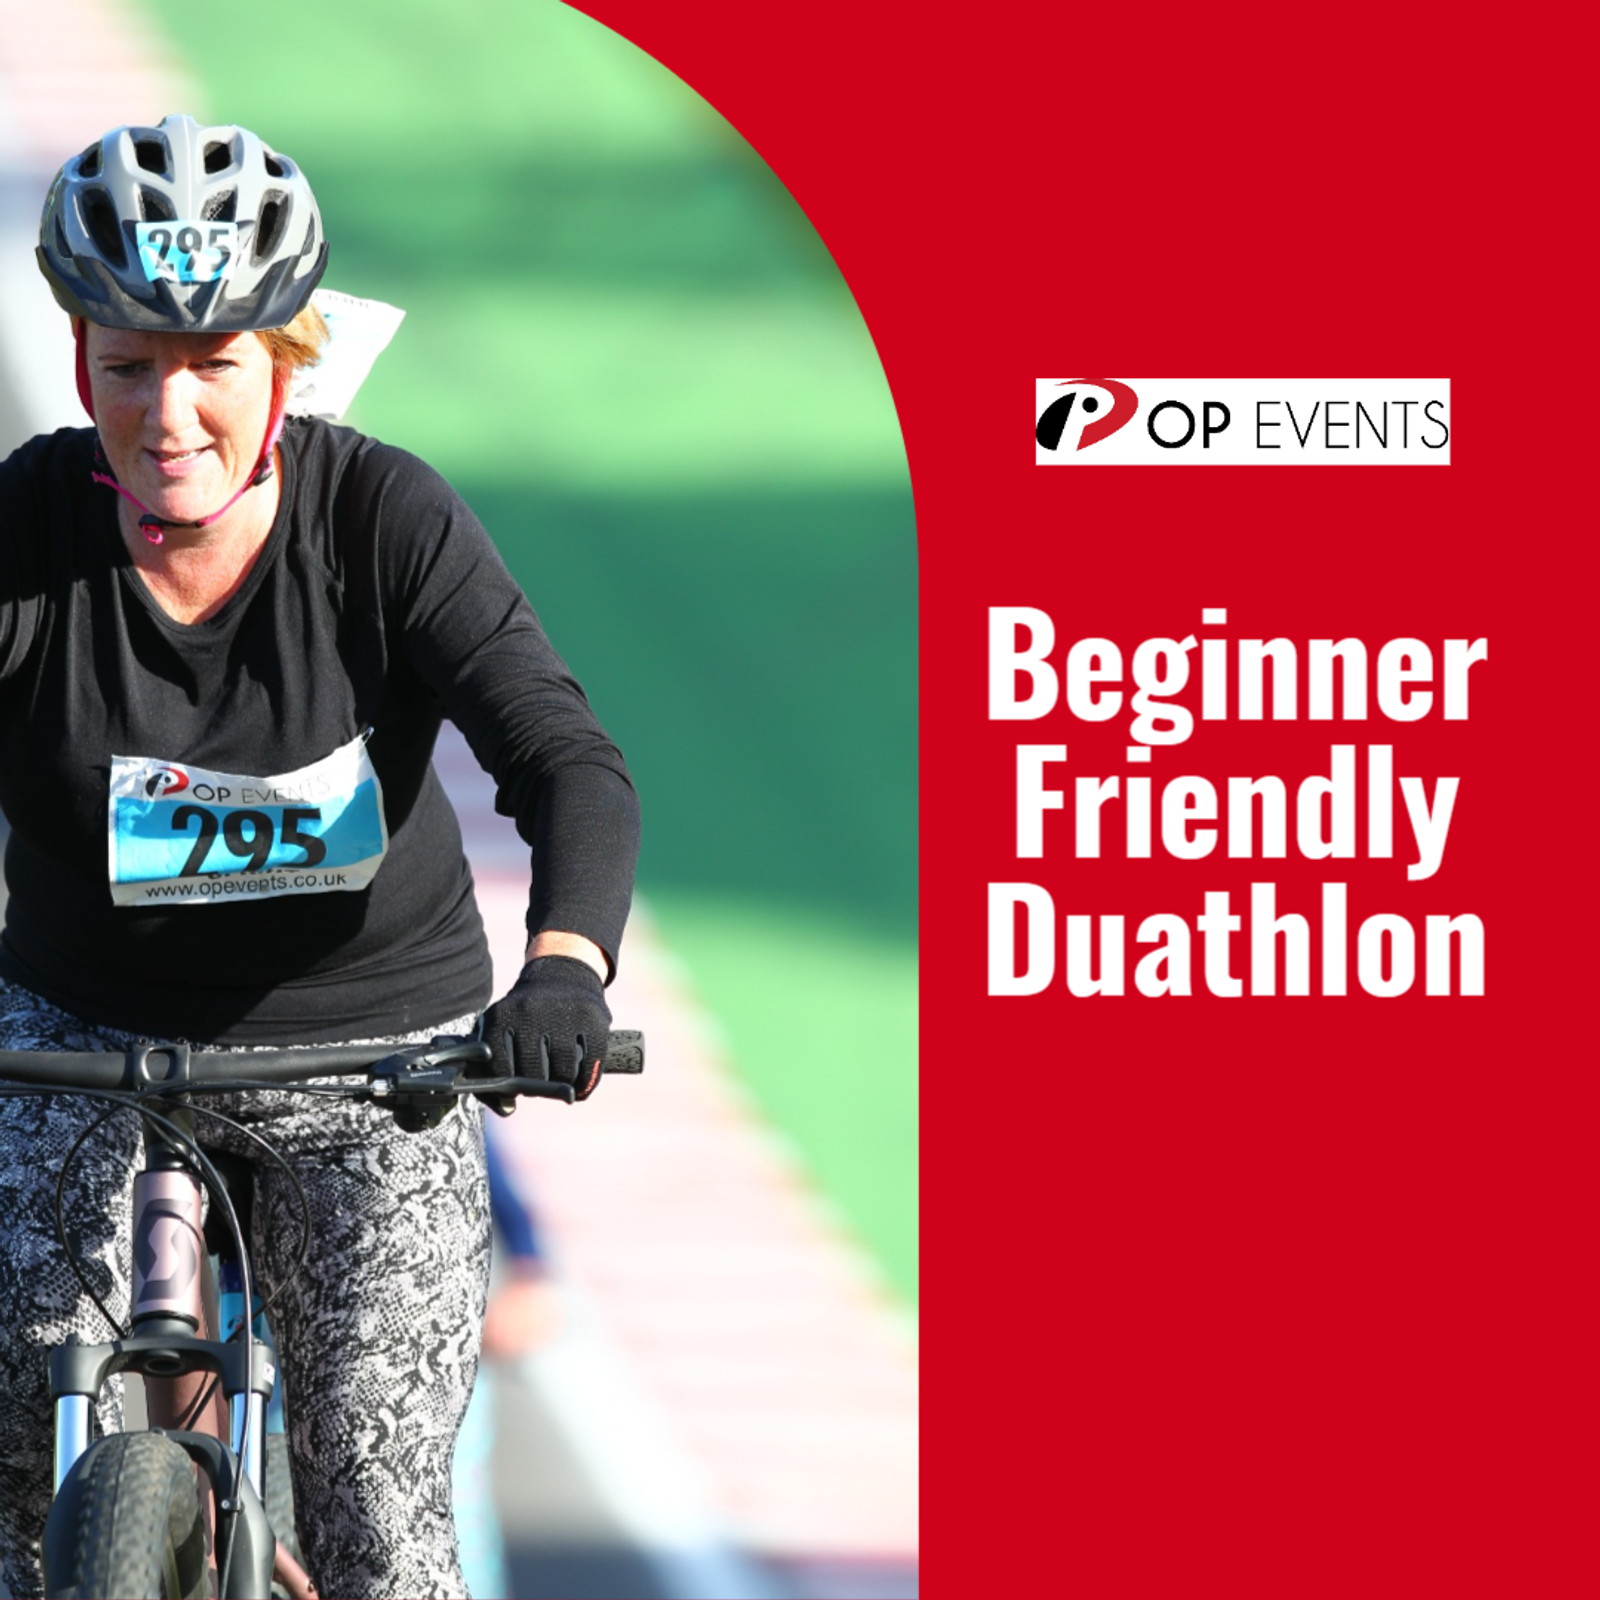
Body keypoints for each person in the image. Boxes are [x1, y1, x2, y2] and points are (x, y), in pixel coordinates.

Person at [0, 114, 640, 1599]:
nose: (168, 414)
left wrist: (562, 971)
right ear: (79, 353)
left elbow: (567, 765)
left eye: (214, 362)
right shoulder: (23, 532)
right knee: (11, 1440)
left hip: (374, 1063)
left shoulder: (385, 519)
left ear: (283, 361)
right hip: (72, 1040)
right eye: (129, 362)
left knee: (383, 1513)